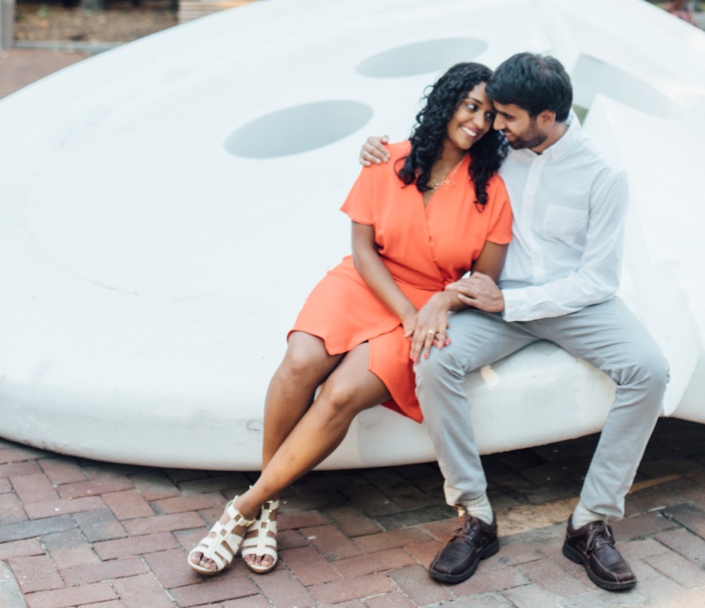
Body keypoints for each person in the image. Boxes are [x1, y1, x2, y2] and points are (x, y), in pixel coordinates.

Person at [186, 63, 511, 577]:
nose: (478, 121)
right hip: (366, 282)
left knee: (340, 395)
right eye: (471, 105)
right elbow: (362, 250)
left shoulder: (490, 191)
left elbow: (482, 283)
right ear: (449, 101)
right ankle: (268, 507)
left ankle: (245, 507)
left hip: (427, 306)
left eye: (490, 115)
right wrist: (404, 310)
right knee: (300, 360)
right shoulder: (388, 159)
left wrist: (434, 307)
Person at [361, 51, 668, 594]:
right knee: (432, 361)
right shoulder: (497, 148)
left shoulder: (603, 173)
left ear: (545, 118)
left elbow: (598, 280)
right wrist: (377, 150)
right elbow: (429, 152)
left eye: (506, 117)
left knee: (649, 369)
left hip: (575, 304)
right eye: (494, 115)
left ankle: (590, 523)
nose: (494, 126)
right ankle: (475, 516)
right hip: (496, 297)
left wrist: (513, 306)